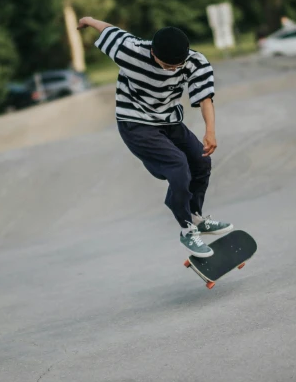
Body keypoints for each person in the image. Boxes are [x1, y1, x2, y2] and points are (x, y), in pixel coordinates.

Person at [77, 17, 233, 257]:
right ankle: (186, 229)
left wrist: (210, 131)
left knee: (201, 161)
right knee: (178, 165)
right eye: (167, 65)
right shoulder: (129, 50)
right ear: (153, 52)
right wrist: (87, 20)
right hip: (136, 123)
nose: (172, 70)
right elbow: (109, 29)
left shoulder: (195, 62)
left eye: (176, 66)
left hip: (169, 121)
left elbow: (205, 98)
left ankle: (195, 216)